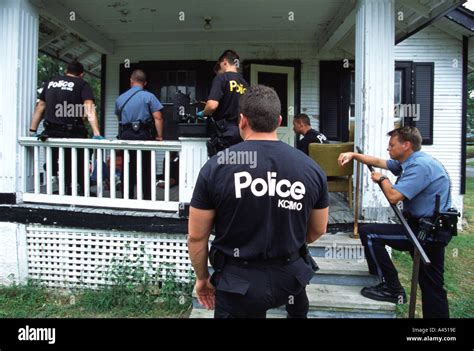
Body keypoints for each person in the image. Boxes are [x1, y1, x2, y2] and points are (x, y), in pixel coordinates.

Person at [188, 85, 329, 318]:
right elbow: (318, 229)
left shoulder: (217, 166)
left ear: (242, 120)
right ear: (279, 120)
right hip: (290, 276)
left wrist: (202, 278)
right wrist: (287, 240)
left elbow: (196, 236)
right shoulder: (310, 168)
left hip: (237, 283)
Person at [338, 126, 455, 318]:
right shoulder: (410, 161)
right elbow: (379, 161)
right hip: (421, 228)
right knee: (431, 284)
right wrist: (353, 155)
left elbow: (393, 196)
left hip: (426, 232)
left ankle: (392, 288)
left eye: (392, 145)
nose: (388, 148)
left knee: (370, 234)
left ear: (406, 145)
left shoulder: (420, 167)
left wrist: (382, 179)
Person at [29, 61, 103, 195]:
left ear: (66, 71)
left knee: (57, 160)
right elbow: (89, 107)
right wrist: (96, 133)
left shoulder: (50, 83)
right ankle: (81, 191)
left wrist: (32, 131)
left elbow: (40, 107)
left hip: (50, 132)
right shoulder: (82, 84)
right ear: (82, 74)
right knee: (79, 161)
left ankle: (60, 183)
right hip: (73, 133)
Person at [115, 69, 164, 200]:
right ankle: (146, 197)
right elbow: (158, 117)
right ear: (145, 83)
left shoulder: (121, 98)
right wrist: (159, 136)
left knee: (127, 165)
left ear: (131, 81)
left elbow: (119, 119)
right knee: (145, 167)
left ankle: (127, 196)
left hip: (126, 135)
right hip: (143, 134)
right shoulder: (149, 97)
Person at [198, 49, 249, 156]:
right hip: (242, 131)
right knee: (237, 165)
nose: (220, 67)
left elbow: (212, 105)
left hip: (225, 132)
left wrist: (203, 113)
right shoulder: (245, 84)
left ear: (225, 62)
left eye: (220, 64)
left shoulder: (222, 78)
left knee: (222, 167)